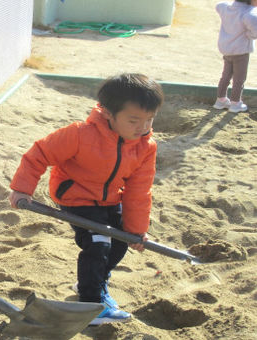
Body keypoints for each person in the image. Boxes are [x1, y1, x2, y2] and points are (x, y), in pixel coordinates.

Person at [8, 73, 164, 325]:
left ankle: (94, 281)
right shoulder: (80, 134)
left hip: (111, 199)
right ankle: (91, 303)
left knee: (120, 242)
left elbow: (139, 190)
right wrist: (22, 189)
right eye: (133, 120)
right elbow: (39, 154)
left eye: (149, 119)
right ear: (107, 113)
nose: (143, 127)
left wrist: (136, 231)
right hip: (76, 196)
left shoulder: (145, 146)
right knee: (98, 243)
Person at [213, 0, 257, 113]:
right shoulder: (249, 14)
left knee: (226, 75)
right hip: (241, 51)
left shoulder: (226, 8)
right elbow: (255, 32)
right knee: (239, 79)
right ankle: (235, 103)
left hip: (227, 49)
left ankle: (220, 100)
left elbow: (219, 5)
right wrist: (248, 35)